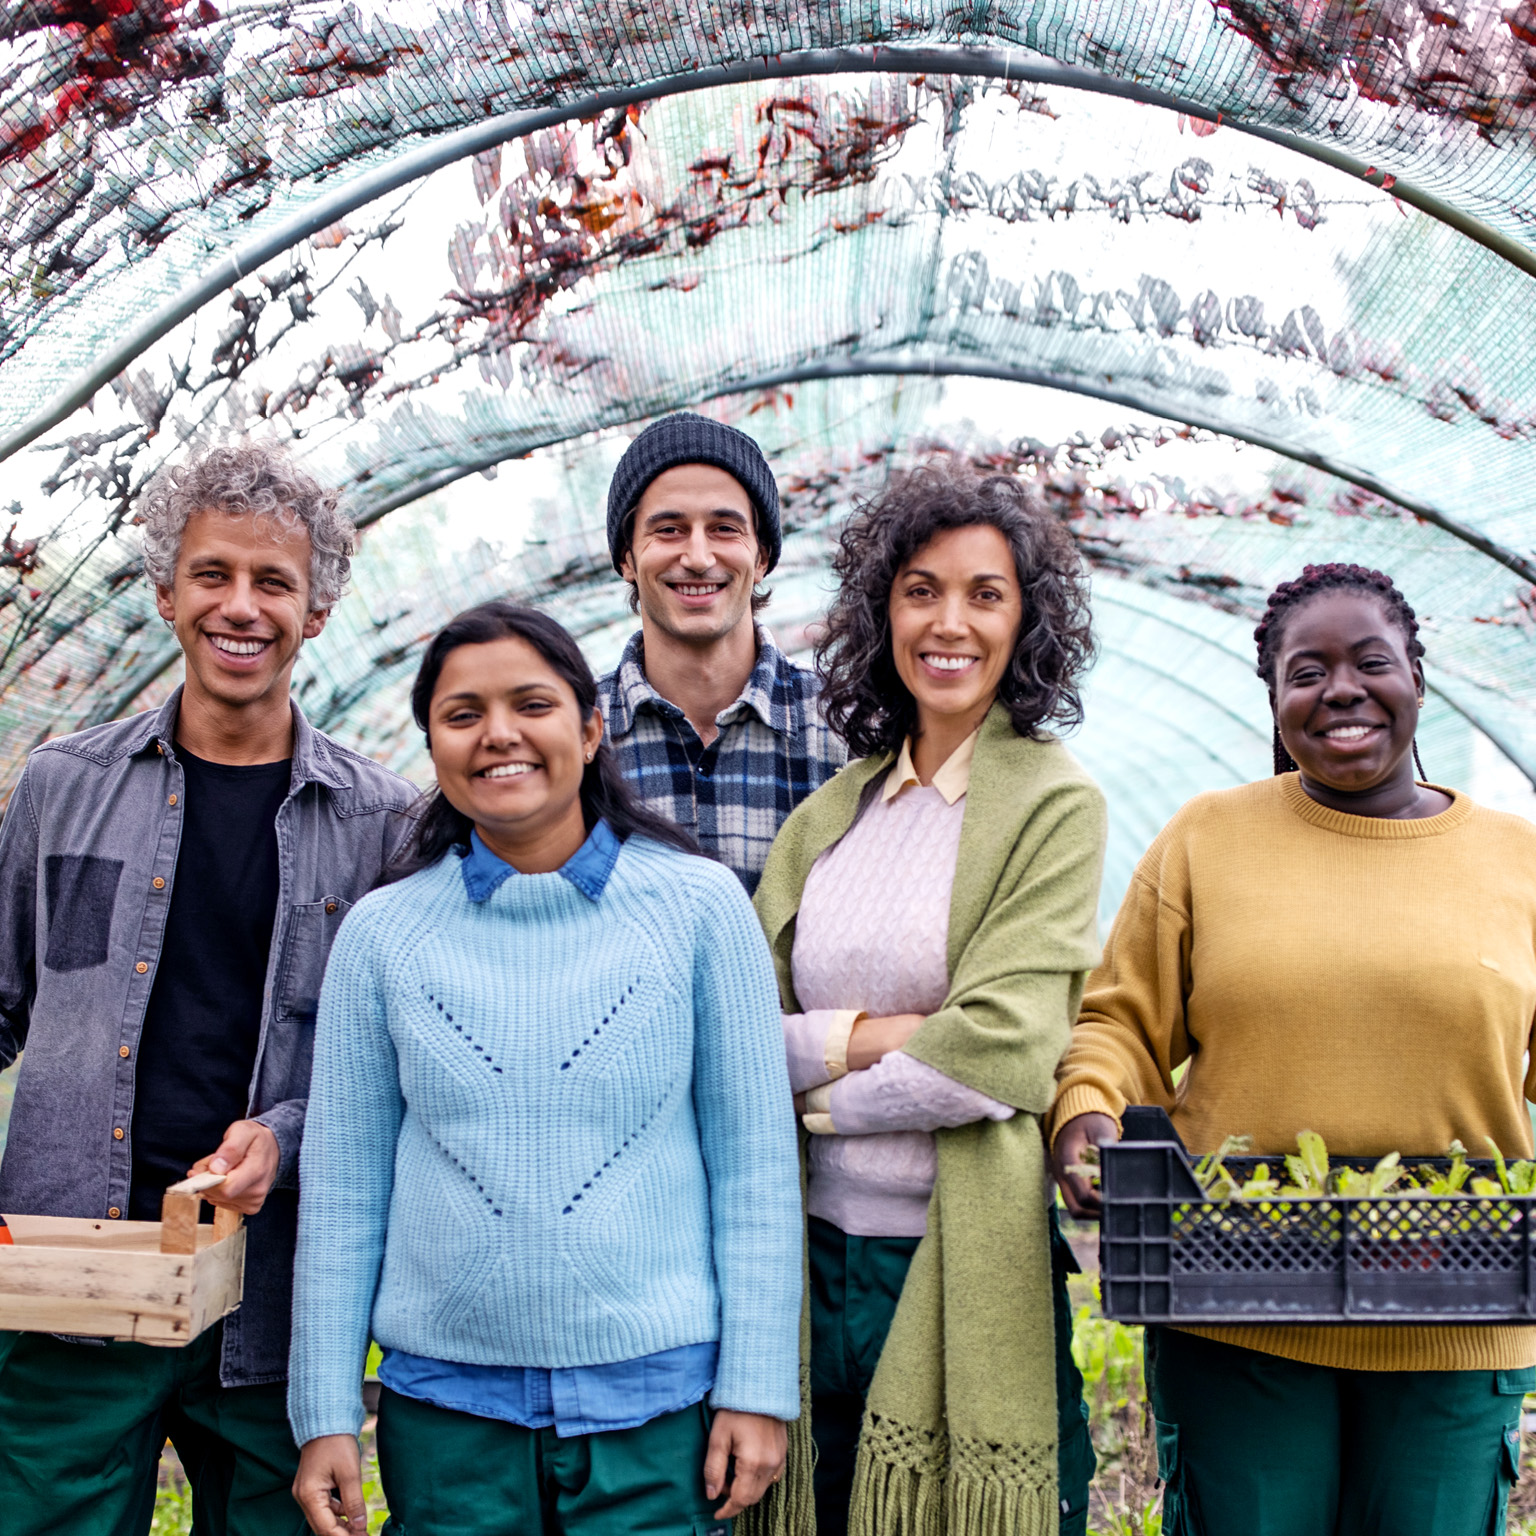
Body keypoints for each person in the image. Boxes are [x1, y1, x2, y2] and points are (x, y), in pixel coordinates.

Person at [289, 602, 803, 1536]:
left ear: (591, 724)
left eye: (531, 704)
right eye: (462, 714)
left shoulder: (698, 909)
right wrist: (322, 1411)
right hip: (445, 1415)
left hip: (657, 1412)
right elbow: (342, 1192)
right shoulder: (382, 935)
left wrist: (758, 1387)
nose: (499, 736)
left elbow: (756, 1170)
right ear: (434, 746)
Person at [1051, 562, 1536, 1536]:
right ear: (1274, 699)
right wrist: (1088, 1116)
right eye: (1306, 672)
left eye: (1370, 663)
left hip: (1461, 1302)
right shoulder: (1207, 840)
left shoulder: (1516, 859)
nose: (1342, 690)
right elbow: (1120, 1024)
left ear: (1418, 678)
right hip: (1237, 1298)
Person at [0, 442, 417, 1535]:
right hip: (70, 1294)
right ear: (165, 592)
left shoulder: (382, 825)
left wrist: (287, 1135)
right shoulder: (63, 789)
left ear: (317, 609)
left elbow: (407, 1067)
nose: (243, 607)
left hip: (272, 1304)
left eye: (274, 582)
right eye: (214, 575)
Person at [749, 464, 1106, 1536]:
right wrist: (878, 1039)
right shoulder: (831, 815)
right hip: (808, 1261)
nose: (949, 623)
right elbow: (738, 1037)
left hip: (956, 1253)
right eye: (920, 589)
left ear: (1026, 621)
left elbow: (997, 1051)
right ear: (881, 612)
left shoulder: (1053, 804)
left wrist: (820, 1085)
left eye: (985, 594)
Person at [597, 411, 844, 894]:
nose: (697, 557)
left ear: (762, 555)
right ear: (626, 557)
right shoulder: (577, 735)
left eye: (724, 529)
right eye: (668, 529)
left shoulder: (843, 729)